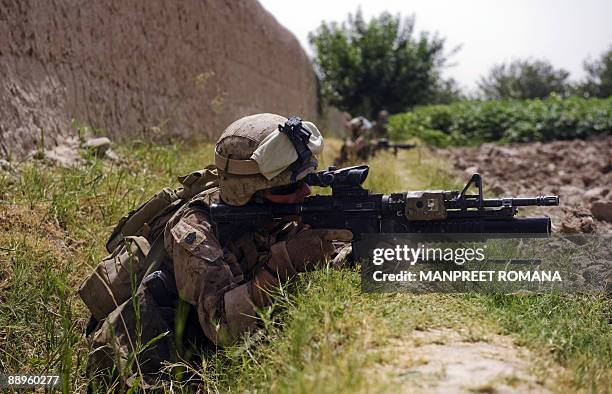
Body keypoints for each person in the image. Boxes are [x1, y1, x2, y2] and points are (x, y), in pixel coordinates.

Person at [85, 113, 353, 388]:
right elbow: (221, 327)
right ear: (250, 192)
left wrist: (356, 252)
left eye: (308, 180)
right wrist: (283, 263)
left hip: (199, 353)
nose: (306, 192)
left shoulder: (273, 214)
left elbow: (331, 252)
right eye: (291, 187)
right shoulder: (195, 231)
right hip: (140, 365)